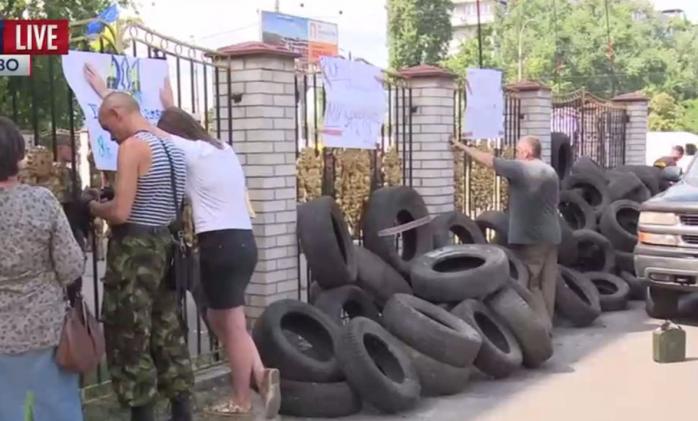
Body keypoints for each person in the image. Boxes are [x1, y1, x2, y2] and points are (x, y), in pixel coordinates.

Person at [154, 104, 280, 417]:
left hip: (219, 245)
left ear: (175, 135)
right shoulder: (223, 149)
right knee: (219, 319)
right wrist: (168, 102)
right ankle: (261, 374)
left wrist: (104, 92)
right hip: (242, 243)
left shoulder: (191, 152)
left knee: (233, 327)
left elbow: (143, 126)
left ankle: (242, 399)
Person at [84, 92, 194, 421]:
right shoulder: (172, 148)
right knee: (166, 329)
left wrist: (93, 207)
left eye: (107, 127)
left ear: (118, 113)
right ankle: (182, 410)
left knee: (128, 334)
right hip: (165, 245)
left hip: (135, 252)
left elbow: (120, 211)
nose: (109, 135)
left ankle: (142, 413)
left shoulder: (132, 147)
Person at [0, 117, 85, 421]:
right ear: (18, 155)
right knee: (55, 406)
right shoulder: (42, 202)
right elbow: (71, 267)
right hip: (44, 326)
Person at [452, 136, 561, 328]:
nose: (516, 154)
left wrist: (462, 147)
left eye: (518, 151)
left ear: (527, 153)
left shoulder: (522, 169)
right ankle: (548, 323)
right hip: (551, 236)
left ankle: (542, 332)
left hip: (531, 239)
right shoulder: (549, 171)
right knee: (547, 284)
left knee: (531, 284)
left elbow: (488, 160)